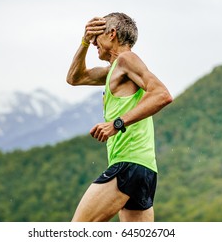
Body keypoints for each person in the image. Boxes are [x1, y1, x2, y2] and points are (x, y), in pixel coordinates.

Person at [66, 12, 173, 222]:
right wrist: (84, 41)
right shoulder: (112, 71)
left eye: (98, 35)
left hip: (128, 165)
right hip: (143, 168)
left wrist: (116, 124)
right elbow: (74, 78)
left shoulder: (126, 59)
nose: (95, 41)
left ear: (112, 34)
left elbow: (162, 94)